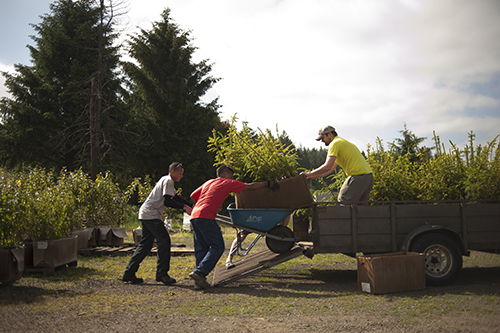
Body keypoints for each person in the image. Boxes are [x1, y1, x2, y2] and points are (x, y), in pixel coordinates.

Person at [188, 165, 276, 290]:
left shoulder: (209, 182)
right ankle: (199, 273)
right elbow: (249, 187)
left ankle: (199, 282)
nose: (232, 178)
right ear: (225, 174)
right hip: (206, 217)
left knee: (201, 249)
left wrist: (199, 206)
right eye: (231, 175)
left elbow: (193, 195)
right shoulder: (227, 182)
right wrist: (266, 183)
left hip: (195, 216)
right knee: (218, 246)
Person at [122, 162, 193, 285]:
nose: (181, 176)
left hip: (145, 213)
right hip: (151, 214)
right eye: (180, 173)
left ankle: (129, 273)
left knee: (145, 244)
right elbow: (167, 201)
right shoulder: (169, 180)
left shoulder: (166, 180)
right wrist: (185, 207)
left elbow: (175, 198)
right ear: (173, 172)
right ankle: (162, 274)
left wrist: (191, 205)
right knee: (164, 241)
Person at [301, 126, 374, 204]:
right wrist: (312, 176)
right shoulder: (342, 142)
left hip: (357, 177)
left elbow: (327, 166)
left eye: (323, 137)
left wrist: (310, 173)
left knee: (342, 202)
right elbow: (331, 169)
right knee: (360, 208)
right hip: (368, 178)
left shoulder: (334, 144)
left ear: (330, 134)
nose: (322, 140)